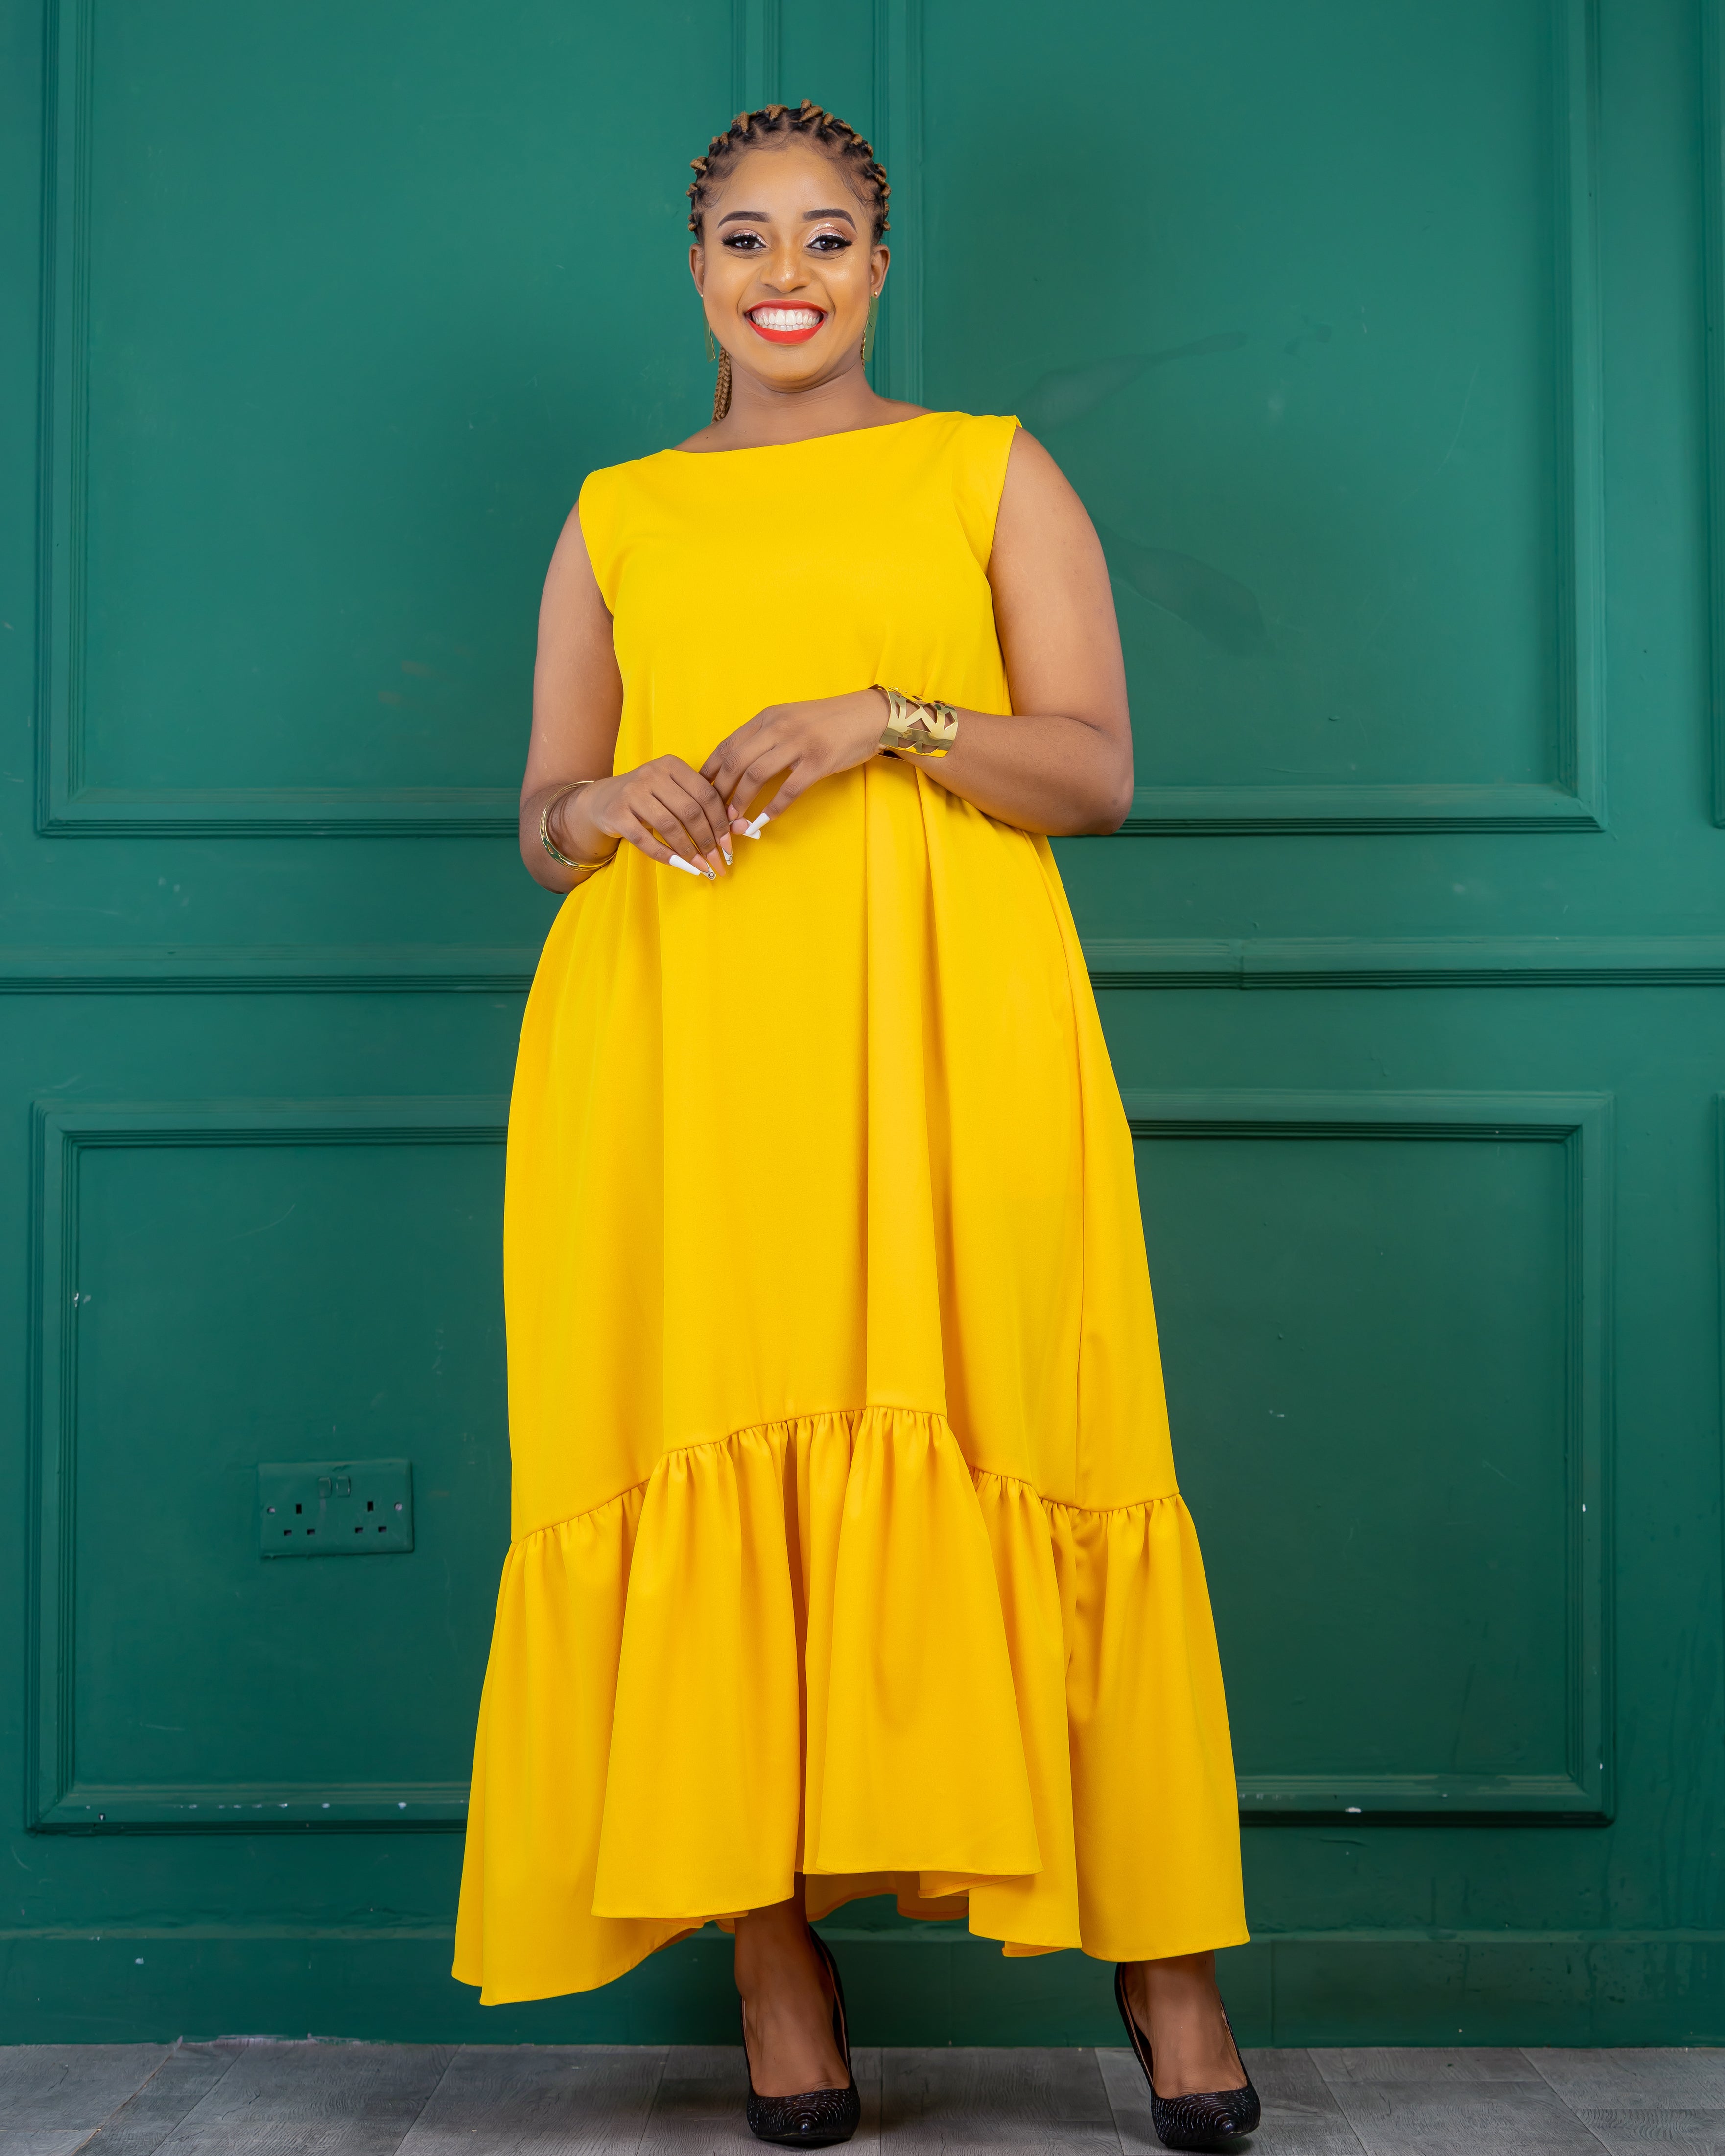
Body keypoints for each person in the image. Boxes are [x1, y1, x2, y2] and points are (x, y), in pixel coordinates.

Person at [453, 99, 1257, 2153]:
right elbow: (541, 816)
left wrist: (882, 720)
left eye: (824, 234)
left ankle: (1162, 1957)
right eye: (743, 236)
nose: (783, 271)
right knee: (705, 1427)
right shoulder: (618, 511)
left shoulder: (987, 469)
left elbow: (1091, 774)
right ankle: (769, 1951)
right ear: (694, 268)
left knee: (1036, 1427)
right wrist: (598, 804)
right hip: (677, 1042)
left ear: (879, 267)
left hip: (947, 1026)